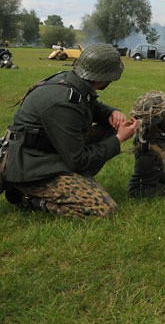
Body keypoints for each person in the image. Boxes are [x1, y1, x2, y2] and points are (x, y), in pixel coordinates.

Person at [2, 44, 138, 218]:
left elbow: (92, 105)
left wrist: (112, 113)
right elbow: (78, 160)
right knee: (102, 209)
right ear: (104, 78)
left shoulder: (72, 82)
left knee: (110, 128)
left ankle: (74, 181)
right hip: (30, 163)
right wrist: (118, 140)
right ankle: (25, 196)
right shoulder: (64, 103)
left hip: (47, 151)